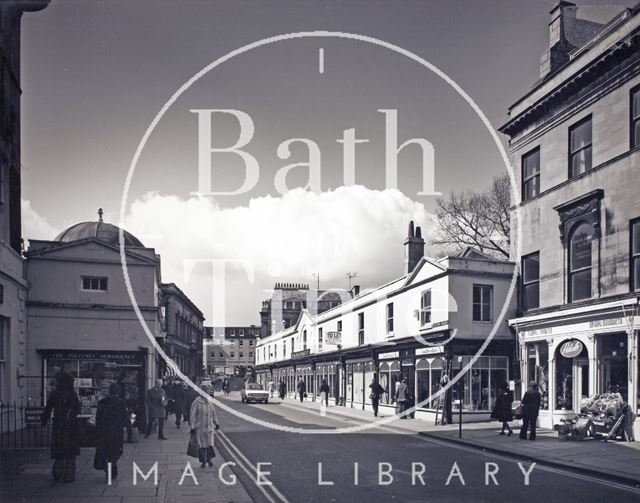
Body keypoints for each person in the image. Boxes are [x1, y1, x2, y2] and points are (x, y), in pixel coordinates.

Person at [41, 372, 81, 483]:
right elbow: (78, 409)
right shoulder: (72, 394)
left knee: (59, 452)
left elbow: (48, 409)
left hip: (58, 425)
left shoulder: (55, 394)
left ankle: (57, 474)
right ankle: (69, 476)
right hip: (71, 426)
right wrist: (71, 414)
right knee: (70, 454)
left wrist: (44, 420)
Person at [95, 383, 130, 480]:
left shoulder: (102, 402)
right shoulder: (121, 402)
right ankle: (111, 466)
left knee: (106, 449)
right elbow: (125, 417)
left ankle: (109, 467)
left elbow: (98, 417)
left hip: (104, 430)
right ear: (118, 392)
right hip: (116, 430)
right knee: (117, 450)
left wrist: (98, 429)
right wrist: (129, 430)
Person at [190, 393, 220, 468]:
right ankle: (203, 461)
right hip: (200, 427)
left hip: (209, 427)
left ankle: (209, 460)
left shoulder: (210, 402)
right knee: (202, 445)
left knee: (210, 444)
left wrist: (216, 423)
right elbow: (193, 415)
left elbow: (213, 414)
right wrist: (192, 427)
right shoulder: (196, 402)